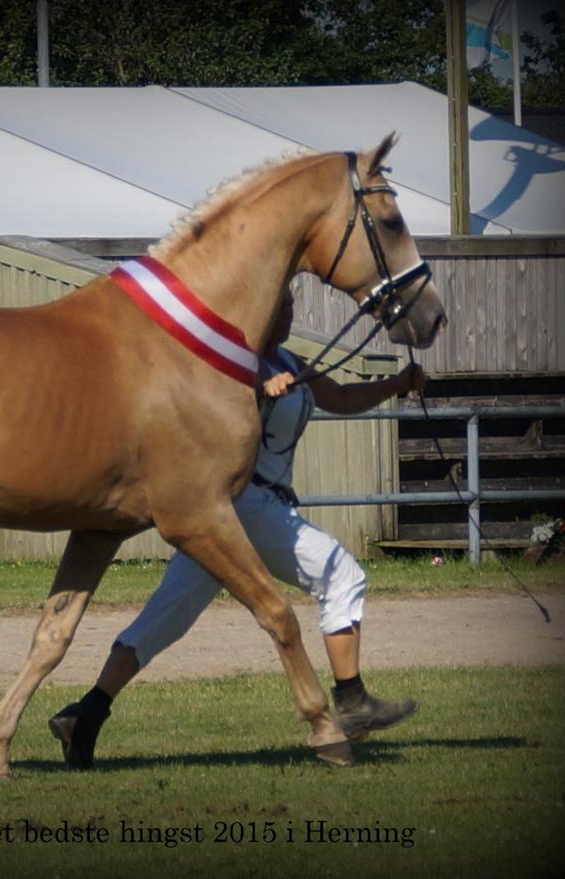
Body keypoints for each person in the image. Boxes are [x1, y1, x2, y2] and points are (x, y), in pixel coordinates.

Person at [50, 288, 427, 769]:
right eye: (281, 306)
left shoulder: (291, 361)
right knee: (342, 574)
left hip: (224, 514)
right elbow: (204, 414)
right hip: (247, 504)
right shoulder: (235, 368)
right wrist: (255, 394)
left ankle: (84, 716)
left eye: (292, 306)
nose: (288, 313)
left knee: (164, 620)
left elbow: (342, 397)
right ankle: (352, 701)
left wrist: (396, 385)